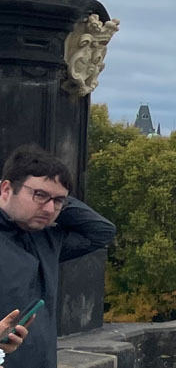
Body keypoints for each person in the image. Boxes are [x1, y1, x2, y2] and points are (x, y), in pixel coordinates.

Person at [0, 145, 116, 368]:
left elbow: (101, 231)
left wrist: (55, 195)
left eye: (59, 201)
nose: (49, 209)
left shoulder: (48, 239)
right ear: (6, 189)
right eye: (39, 195)